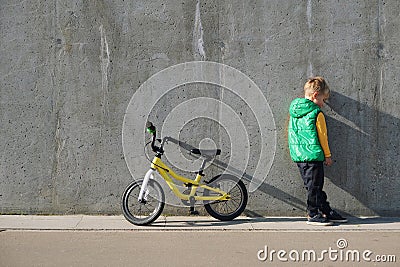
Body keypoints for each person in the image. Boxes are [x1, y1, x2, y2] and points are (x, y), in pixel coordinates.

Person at [288, 76, 347, 225]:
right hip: (313, 155)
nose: (323, 104)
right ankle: (313, 214)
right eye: (323, 100)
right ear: (315, 96)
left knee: (313, 186)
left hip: (299, 156)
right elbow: (323, 137)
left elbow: (292, 133)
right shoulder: (317, 114)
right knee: (314, 187)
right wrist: (327, 155)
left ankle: (325, 210)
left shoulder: (294, 112)